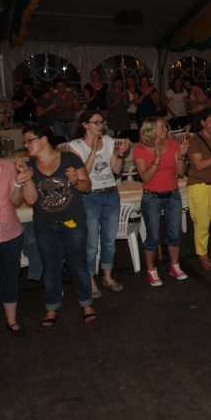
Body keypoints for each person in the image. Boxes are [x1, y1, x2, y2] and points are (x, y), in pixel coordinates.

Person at [22, 125, 96, 326]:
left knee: (78, 265)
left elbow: (87, 187)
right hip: (45, 225)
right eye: (25, 142)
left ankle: (87, 304)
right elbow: (30, 200)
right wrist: (26, 180)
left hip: (73, 223)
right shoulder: (29, 165)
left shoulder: (70, 158)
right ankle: (51, 307)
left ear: (44, 139)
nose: (26, 145)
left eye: (29, 140)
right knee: (50, 267)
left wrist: (75, 181)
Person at [68, 110, 130, 298]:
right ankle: (90, 280)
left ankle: (108, 277)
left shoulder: (109, 141)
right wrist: (94, 150)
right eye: (96, 122)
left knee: (109, 240)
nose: (101, 125)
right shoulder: (75, 146)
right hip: (89, 197)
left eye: (102, 122)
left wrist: (119, 155)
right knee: (92, 243)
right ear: (85, 125)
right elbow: (82, 175)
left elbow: (116, 171)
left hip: (110, 193)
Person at [133, 116, 189, 286]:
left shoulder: (173, 144)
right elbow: (145, 177)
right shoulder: (140, 149)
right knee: (153, 236)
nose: (166, 130)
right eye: (162, 127)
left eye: (165, 127)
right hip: (152, 196)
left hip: (172, 194)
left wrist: (181, 156)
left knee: (174, 234)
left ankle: (175, 266)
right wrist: (157, 159)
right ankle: (151, 270)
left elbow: (180, 173)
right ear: (151, 130)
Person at [187, 109, 211, 271]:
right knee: (202, 222)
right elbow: (199, 165)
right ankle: (202, 255)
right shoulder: (195, 140)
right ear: (202, 123)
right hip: (199, 185)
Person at [0, 157, 32, 335]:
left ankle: (11, 321)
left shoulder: (8, 167)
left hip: (10, 233)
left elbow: (16, 201)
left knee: (10, 278)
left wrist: (18, 184)